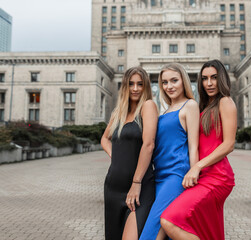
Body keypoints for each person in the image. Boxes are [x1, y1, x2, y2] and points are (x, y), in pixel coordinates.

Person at [160, 59, 237, 240]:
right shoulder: (202, 107)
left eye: (214, 78)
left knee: (169, 220)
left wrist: (197, 167)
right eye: (204, 78)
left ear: (222, 79)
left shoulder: (225, 102)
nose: (209, 83)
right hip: (203, 175)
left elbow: (229, 144)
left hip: (217, 177)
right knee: (204, 228)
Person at [139, 63, 200, 240]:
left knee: (151, 232)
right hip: (158, 176)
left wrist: (194, 175)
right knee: (164, 234)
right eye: (165, 82)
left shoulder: (190, 105)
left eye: (174, 80)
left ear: (184, 81)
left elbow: (193, 146)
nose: (169, 86)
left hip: (176, 175)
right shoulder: (164, 111)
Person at [101, 66, 158, 240]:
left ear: (146, 86)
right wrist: (115, 156)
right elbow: (104, 139)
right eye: (131, 84)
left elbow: (149, 145)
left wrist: (136, 182)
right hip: (113, 187)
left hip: (139, 187)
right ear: (125, 86)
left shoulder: (148, 106)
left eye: (140, 84)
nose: (135, 88)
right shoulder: (118, 112)